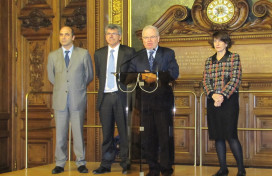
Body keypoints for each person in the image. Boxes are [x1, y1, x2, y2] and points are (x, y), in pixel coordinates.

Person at [128, 25, 179, 176]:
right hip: (144, 103)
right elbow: (129, 76)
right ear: (142, 40)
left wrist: (155, 76)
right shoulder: (136, 56)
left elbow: (174, 73)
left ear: (158, 38)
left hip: (163, 103)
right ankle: (153, 168)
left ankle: (166, 168)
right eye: (146, 38)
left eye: (152, 37)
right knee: (148, 139)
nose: (149, 40)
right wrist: (141, 77)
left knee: (165, 137)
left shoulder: (168, 53)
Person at [47, 26, 93, 174]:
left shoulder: (83, 54)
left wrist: (77, 87)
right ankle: (60, 163)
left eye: (67, 35)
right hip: (60, 99)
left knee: (78, 132)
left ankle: (80, 162)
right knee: (60, 133)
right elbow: (52, 77)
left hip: (77, 98)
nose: (63, 37)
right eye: (61, 34)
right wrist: (63, 87)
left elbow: (89, 76)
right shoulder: (52, 56)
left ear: (73, 37)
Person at [93, 24, 136, 175]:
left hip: (121, 96)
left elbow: (132, 73)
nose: (111, 36)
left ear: (120, 36)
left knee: (124, 133)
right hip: (105, 98)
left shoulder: (128, 51)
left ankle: (126, 163)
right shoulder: (99, 54)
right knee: (107, 133)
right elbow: (99, 74)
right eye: (108, 34)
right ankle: (105, 164)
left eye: (114, 33)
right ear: (105, 36)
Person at [202, 31, 245, 176]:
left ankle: (241, 170)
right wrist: (213, 95)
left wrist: (222, 95)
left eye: (220, 41)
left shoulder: (234, 57)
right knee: (218, 135)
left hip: (229, 101)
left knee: (231, 135)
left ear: (226, 43)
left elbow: (236, 79)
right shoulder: (209, 60)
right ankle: (223, 169)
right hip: (212, 101)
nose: (217, 44)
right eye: (215, 41)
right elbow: (205, 80)